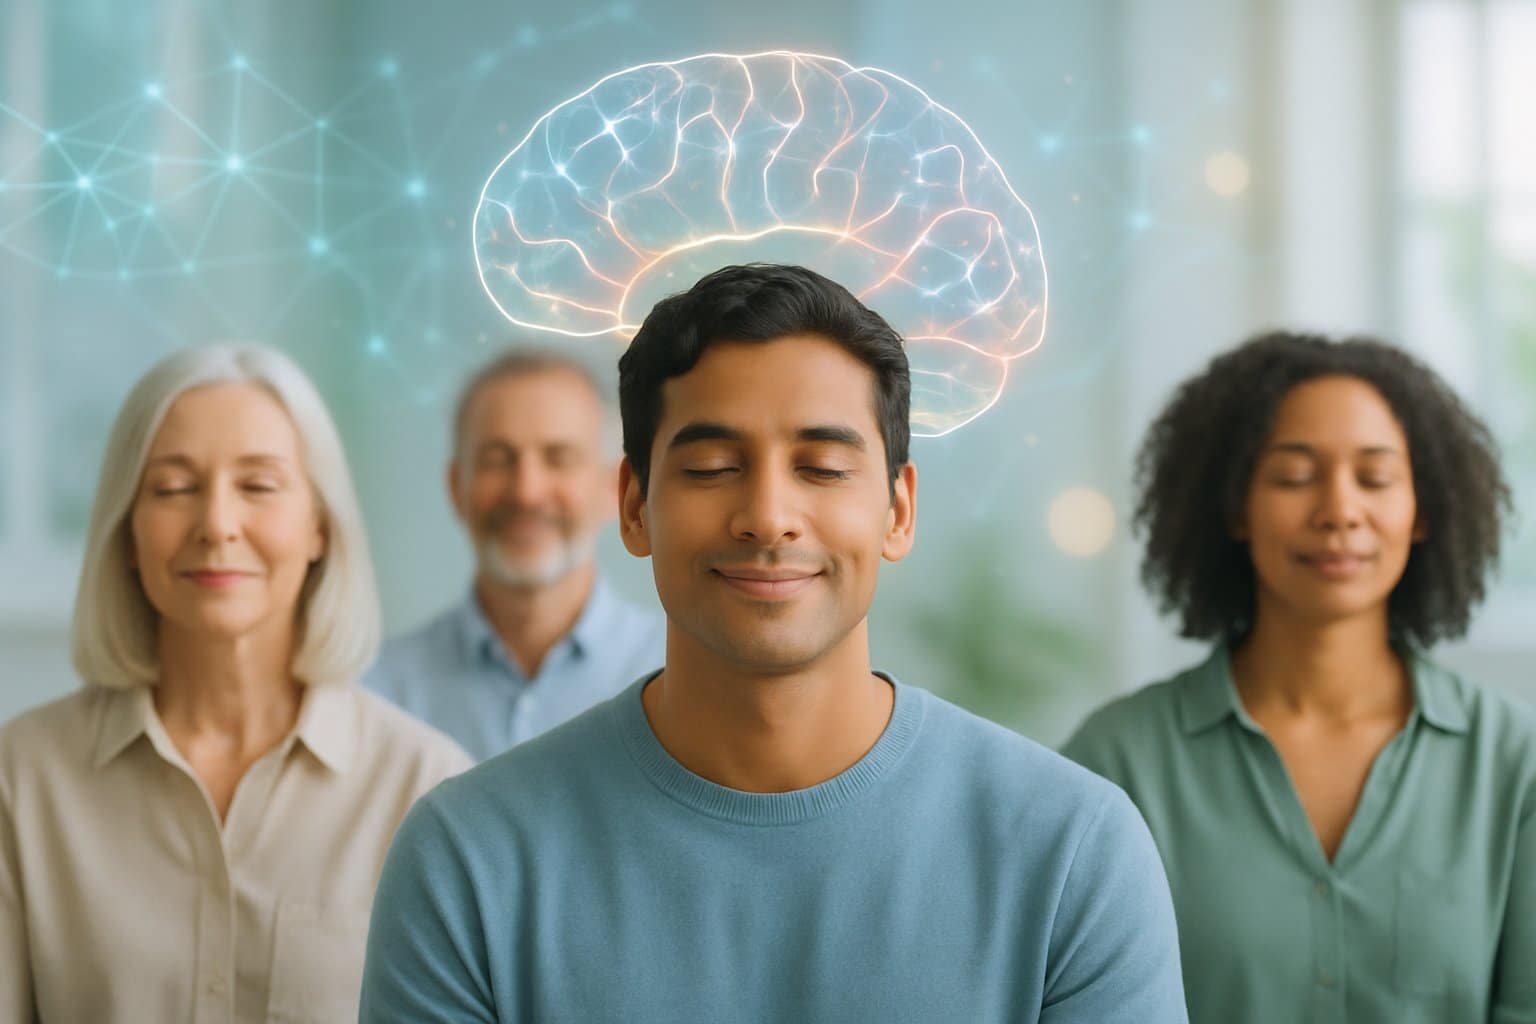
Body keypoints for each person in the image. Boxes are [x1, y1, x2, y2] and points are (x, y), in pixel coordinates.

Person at [360, 264, 1187, 1023]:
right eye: (714, 465)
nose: (768, 514)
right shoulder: (467, 861)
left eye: (823, 468)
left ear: (898, 510)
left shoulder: (1072, 855)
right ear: (635, 506)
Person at [1062, 332, 1534, 1023]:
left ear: (1424, 510)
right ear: (1233, 508)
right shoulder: (1118, 762)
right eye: (1293, 476)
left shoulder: (1512, 763)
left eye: (1375, 478)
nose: (1340, 510)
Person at [0, 345, 471, 1023]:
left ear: (319, 526)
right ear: (126, 534)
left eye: (258, 486)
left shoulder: (427, 789)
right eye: (172, 488)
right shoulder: (22, 781)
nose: (217, 524)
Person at [365, 348, 663, 760]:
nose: (526, 491)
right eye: (496, 460)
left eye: (559, 458)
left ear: (613, 490)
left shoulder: (681, 674)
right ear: (457, 489)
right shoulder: (378, 691)